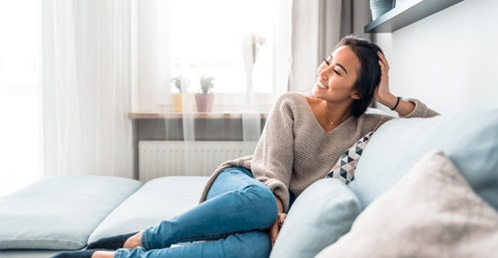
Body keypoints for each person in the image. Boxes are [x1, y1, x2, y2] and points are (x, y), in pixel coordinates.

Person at [55, 35, 438, 258]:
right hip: (245, 183)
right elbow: (270, 171)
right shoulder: (292, 103)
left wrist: (388, 98)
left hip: (271, 208)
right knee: (259, 202)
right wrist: (274, 210)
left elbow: (434, 127)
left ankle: (121, 255)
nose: (322, 73)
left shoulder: (367, 126)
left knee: (254, 251)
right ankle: (148, 236)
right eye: (326, 62)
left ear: (358, 90)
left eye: (337, 71)